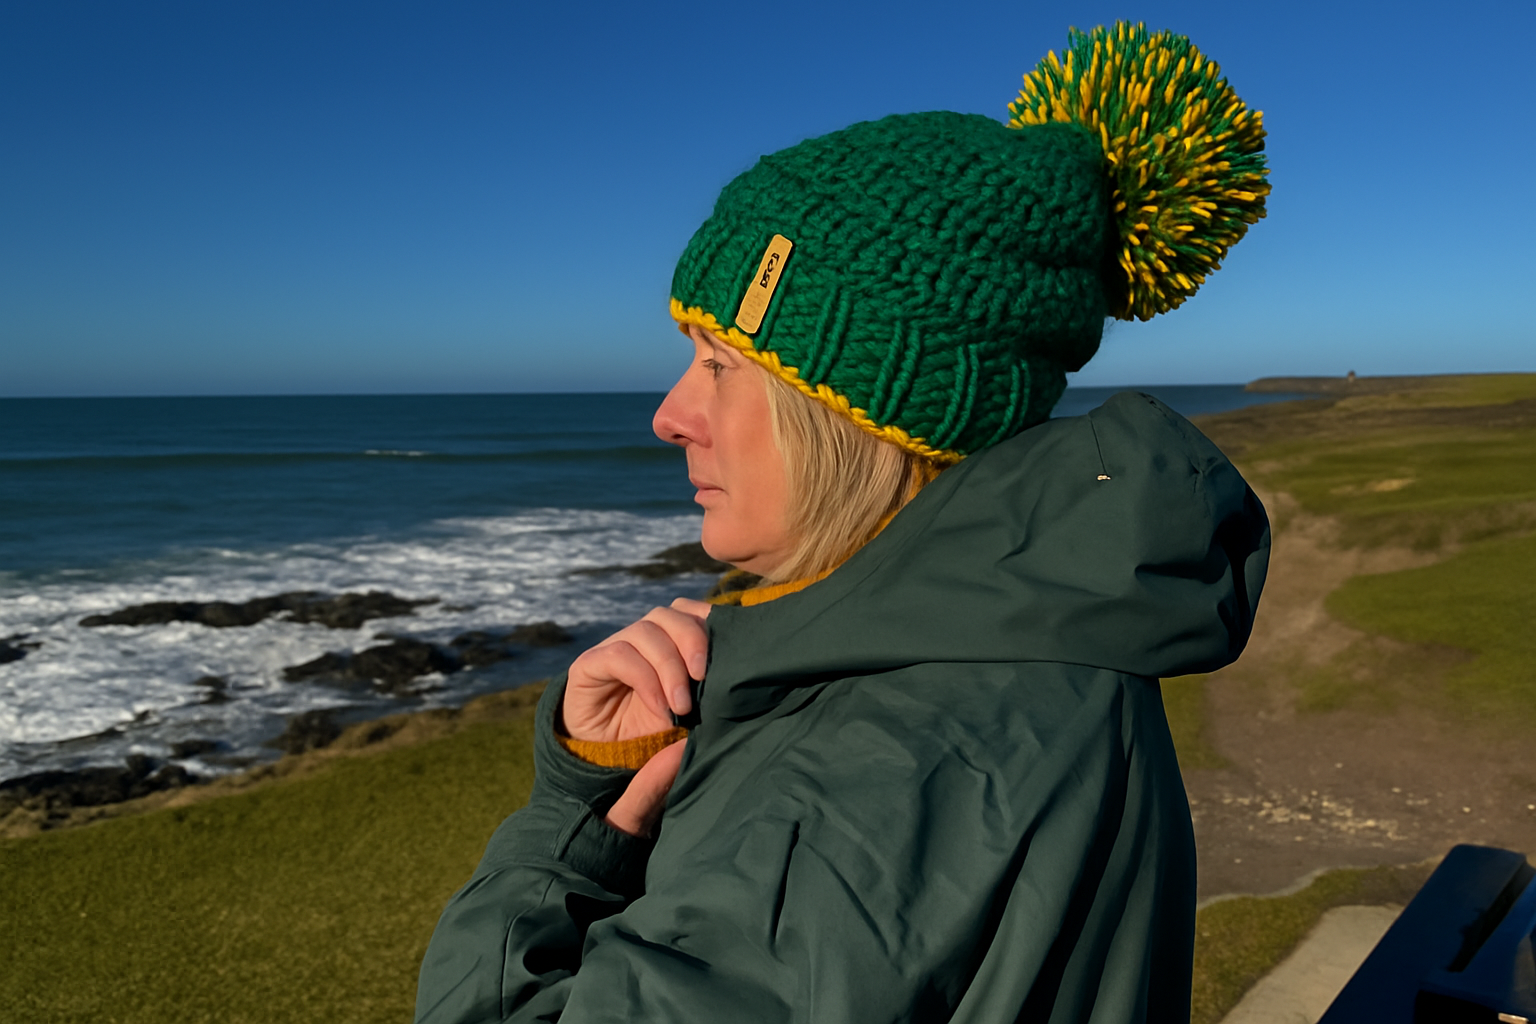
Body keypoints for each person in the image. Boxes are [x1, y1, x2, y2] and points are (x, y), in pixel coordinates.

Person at [415, 22, 1271, 1024]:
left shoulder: (873, 778)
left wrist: (561, 831)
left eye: (721, 367)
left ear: (861, 409)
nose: (668, 414)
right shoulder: (1046, 640)